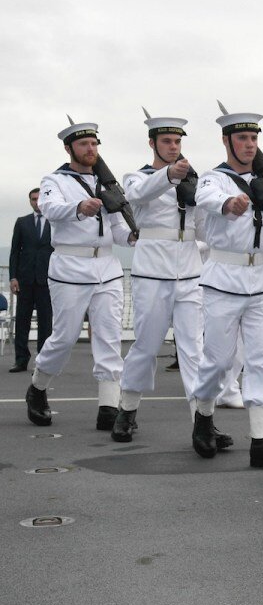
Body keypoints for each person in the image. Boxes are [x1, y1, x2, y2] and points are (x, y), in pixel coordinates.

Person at [188, 108, 263, 466]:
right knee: (218, 361)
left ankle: (262, 440)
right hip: (223, 280)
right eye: (242, 138)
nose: (250, 145)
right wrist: (229, 203)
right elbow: (204, 198)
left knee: (262, 362)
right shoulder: (213, 179)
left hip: (262, 281)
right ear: (227, 141)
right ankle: (203, 416)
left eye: (254, 139)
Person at [112, 113, 224, 445]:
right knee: (145, 346)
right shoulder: (137, 177)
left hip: (190, 273)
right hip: (152, 275)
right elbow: (138, 195)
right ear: (153, 144)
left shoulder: (194, 180)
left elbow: (203, 226)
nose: (173, 147)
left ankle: (203, 421)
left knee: (195, 350)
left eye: (177, 142)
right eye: (166, 142)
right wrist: (168, 176)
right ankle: (127, 410)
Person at [25, 120, 135, 429]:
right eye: (84, 144)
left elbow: (115, 226)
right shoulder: (55, 180)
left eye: (94, 144)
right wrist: (80, 207)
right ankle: (38, 387)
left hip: (107, 268)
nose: (91, 149)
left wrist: (131, 236)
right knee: (64, 337)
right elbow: (49, 207)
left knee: (109, 337)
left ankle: (108, 407)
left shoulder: (108, 183)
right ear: (69, 148)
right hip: (70, 266)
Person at [9, 188, 53, 373]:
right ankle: (21, 360)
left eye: (39, 199)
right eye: (33, 199)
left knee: (46, 322)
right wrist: (13, 277)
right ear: (30, 201)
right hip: (25, 279)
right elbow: (14, 251)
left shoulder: (55, 222)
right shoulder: (22, 222)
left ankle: (43, 361)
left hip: (47, 279)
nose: (36, 202)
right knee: (22, 321)